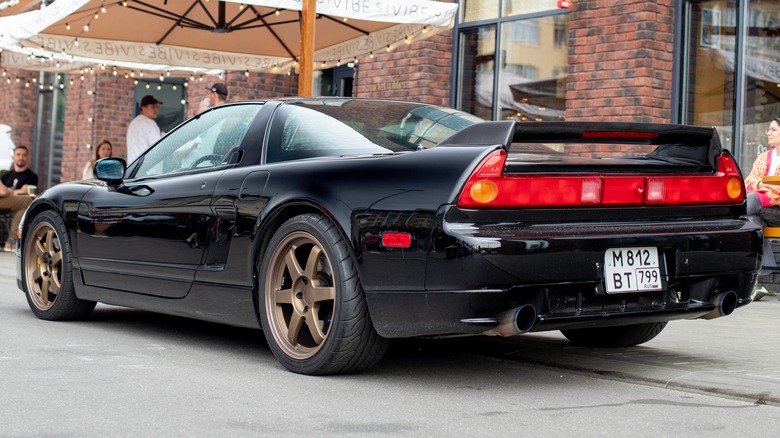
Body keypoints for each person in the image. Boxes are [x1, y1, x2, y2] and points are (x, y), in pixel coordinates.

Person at [744, 116, 780, 300]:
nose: (769, 133)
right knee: (753, 222)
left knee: (751, 201)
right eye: (768, 129)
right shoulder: (763, 157)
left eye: (773, 129)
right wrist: (761, 185)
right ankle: (758, 282)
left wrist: (767, 190)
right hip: (764, 209)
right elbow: (749, 180)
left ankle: (731, 220)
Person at [0, 145, 37, 251]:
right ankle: (12, 240)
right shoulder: (6, 175)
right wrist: (9, 192)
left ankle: (11, 241)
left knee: (24, 205)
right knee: (27, 201)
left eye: (24, 155)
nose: (21, 157)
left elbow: (24, 191)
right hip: (9, 201)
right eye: (18, 155)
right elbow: (4, 192)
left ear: (28, 157)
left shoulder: (31, 176)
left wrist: (8, 192)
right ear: (13, 157)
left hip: (14, 205)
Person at [126, 95, 163, 163]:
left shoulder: (133, 123)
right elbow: (159, 147)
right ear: (143, 108)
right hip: (147, 169)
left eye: (157, 107)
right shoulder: (149, 122)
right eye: (152, 107)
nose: (156, 110)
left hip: (132, 168)